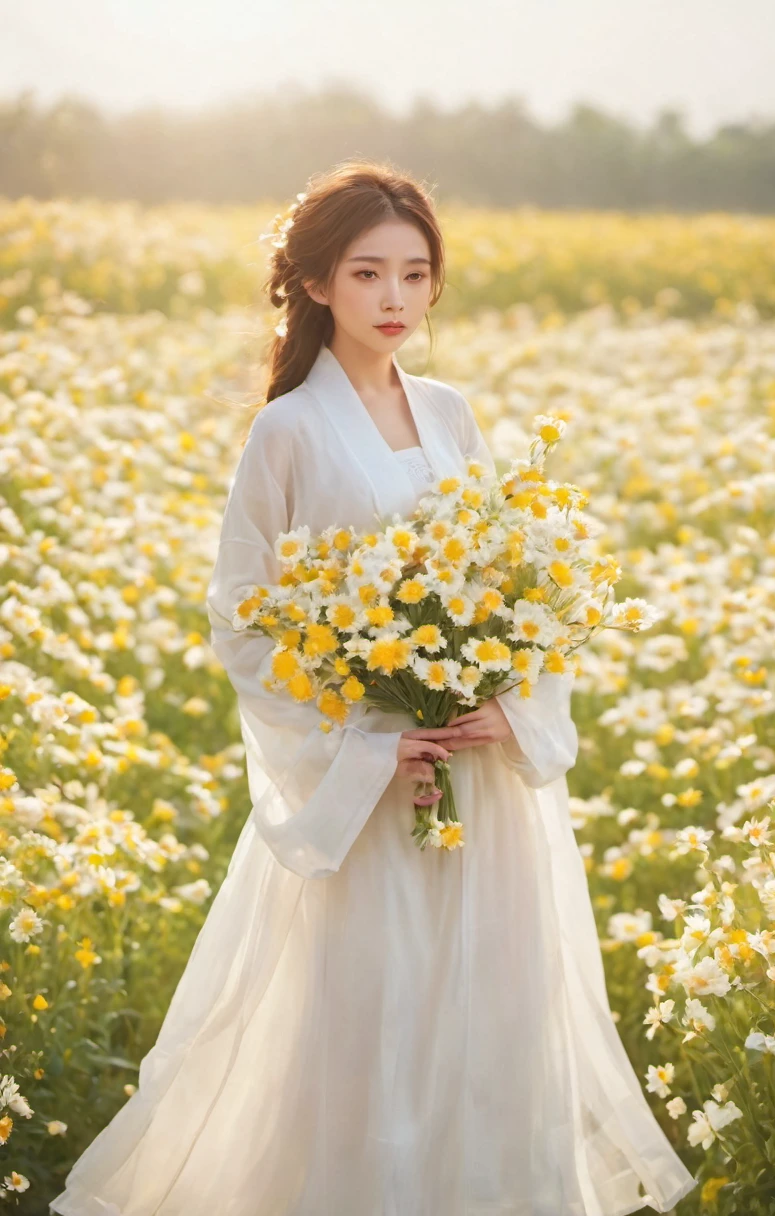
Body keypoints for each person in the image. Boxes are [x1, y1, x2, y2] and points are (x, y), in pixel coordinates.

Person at [50, 159, 697, 1216]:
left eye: (413, 273)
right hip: (367, 782)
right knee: (365, 1029)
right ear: (313, 285)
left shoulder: (451, 414)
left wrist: (511, 706)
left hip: (476, 782)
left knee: (485, 1027)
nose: (395, 298)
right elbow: (244, 617)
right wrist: (360, 747)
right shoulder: (288, 431)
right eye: (367, 274)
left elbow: (509, 579)